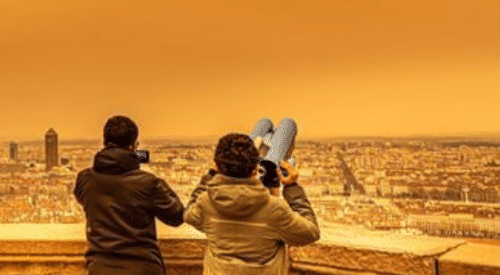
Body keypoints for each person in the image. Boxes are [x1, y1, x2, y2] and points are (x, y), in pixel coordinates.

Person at [184, 133, 320, 275]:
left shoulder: (206, 203)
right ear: (255, 168)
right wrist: (292, 187)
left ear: (218, 165)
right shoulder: (273, 209)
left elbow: (189, 215)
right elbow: (310, 232)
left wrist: (210, 176)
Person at [74, 115, 185, 275]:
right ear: (134, 145)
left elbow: (85, 196)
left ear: (104, 142)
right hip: (142, 268)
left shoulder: (85, 180)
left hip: (100, 268)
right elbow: (177, 216)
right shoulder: (148, 183)